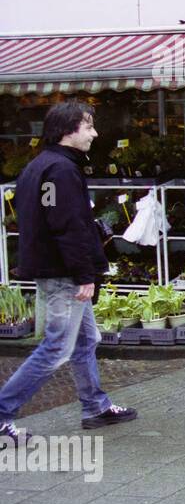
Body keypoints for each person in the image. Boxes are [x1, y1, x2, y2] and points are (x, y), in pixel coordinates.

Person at [0, 102, 137, 441]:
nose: (94, 133)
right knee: (56, 348)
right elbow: (68, 226)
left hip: (53, 268)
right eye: (88, 126)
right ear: (67, 131)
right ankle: (2, 414)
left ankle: (95, 406)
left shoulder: (38, 166)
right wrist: (84, 274)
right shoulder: (61, 170)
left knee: (86, 339)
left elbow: (47, 223)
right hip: (64, 273)